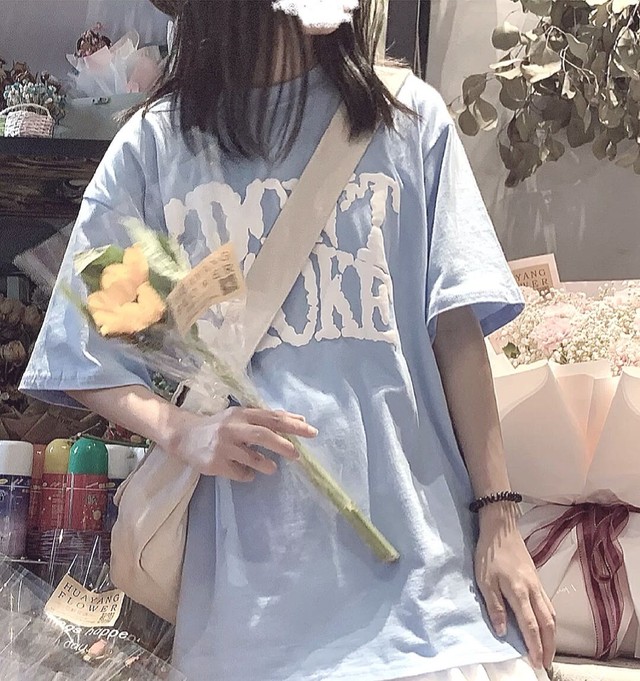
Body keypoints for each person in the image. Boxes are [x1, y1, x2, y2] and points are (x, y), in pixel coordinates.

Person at [21, 1, 556, 679]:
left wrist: (501, 521)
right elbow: (84, 350)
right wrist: (183, 431)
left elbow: (456, 332)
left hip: (429, 599)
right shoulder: (156, 148)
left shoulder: (406, 118)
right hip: (248, 621)